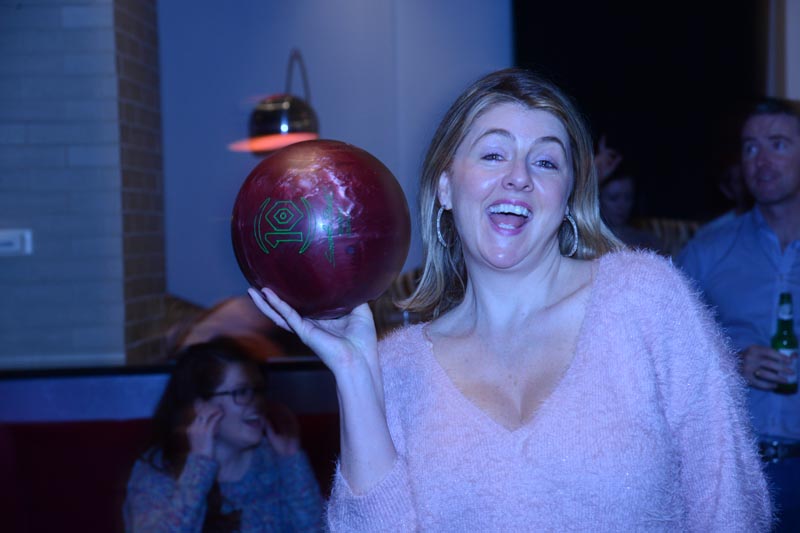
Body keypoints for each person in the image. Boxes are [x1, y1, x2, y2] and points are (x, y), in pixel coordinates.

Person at [249, 68, 771, 531]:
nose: (518, 177)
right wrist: (353, 374)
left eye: (545, 161)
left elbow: (728, 504)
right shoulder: (398, 367)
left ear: (567, 197)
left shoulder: (644, 299)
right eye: (493, 154)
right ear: (446, 187)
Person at [677, 97, 800, 532]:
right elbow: (663, 354)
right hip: (735, 472)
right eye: (750, 147)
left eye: (778, 144)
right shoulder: (708, 251)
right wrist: (730, 361)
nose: (761, 160)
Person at [123, 337, 323, 532]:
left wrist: (292, 463)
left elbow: (318, 529)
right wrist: (199, 467)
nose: (256, 403)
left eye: (258, 390)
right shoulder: (159, 468)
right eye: (241, 392)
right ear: (201, 406)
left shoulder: (274, 459)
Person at [598, 169, 662, 251]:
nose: (622, 205)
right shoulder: (590, 239)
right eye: (613, 198)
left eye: (628, 197)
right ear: (598, 199)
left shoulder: (648, 240)